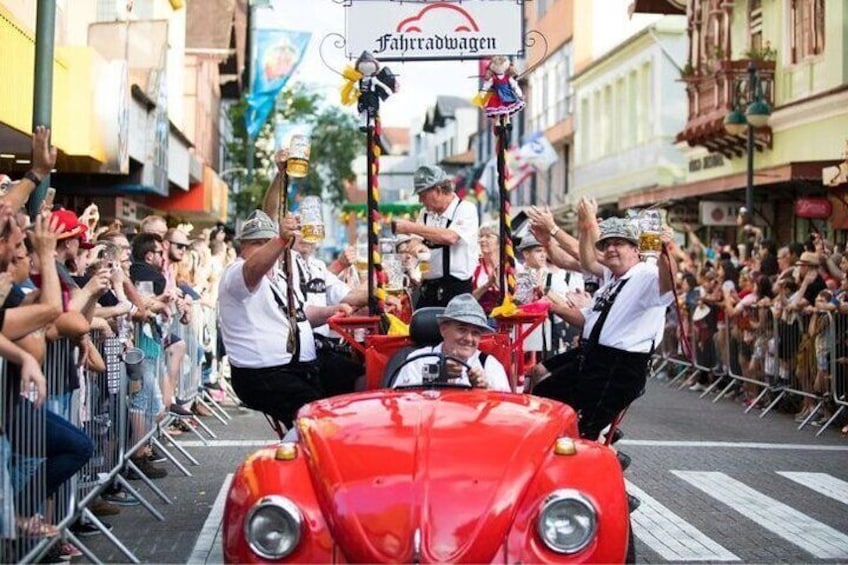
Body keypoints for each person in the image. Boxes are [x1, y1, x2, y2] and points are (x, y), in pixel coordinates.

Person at [532, 198, 676, 441]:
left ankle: (601, 453)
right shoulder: (614, 277)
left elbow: (668, 283)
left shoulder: (646, 274)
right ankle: (604, 442)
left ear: (636, 249)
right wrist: (550, 304)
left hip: (620, 367)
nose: (610, 249)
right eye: (606, 244)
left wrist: (666, 251)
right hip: (594, 357)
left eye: (619, 243)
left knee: (584, 431)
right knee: (545, 395)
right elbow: (588, 260)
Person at [217, 210, 346, 429]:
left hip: (296, 367)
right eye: (257, 243)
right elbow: (252, 269)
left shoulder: (279, 276)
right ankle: (298, 458)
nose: (265, 248)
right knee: (315, 420)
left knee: (352, 379)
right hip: (263, 375)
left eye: (268, 242)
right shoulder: (236, 273)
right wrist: (278, 240)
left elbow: (301, 315)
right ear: (243, 247)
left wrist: (334, 311)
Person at [391, 165, 479, 308]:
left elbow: (450, 237)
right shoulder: (425, 213)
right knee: (419, 327)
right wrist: (416, 247)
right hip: (428, 289)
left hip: (456, 291)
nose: (420, 200)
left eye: (422, 195)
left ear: (438, 191)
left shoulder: (465, 209)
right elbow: (415, 240)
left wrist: (409, 227)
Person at [393, 294, 510, 391]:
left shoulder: (489, 365)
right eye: (462, 329)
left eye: (475, 333)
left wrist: (484, 390)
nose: (469, 338)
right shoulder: (418, 360)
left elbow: (504, 411)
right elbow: (402, 402)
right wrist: (438, 378)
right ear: (443, 329)